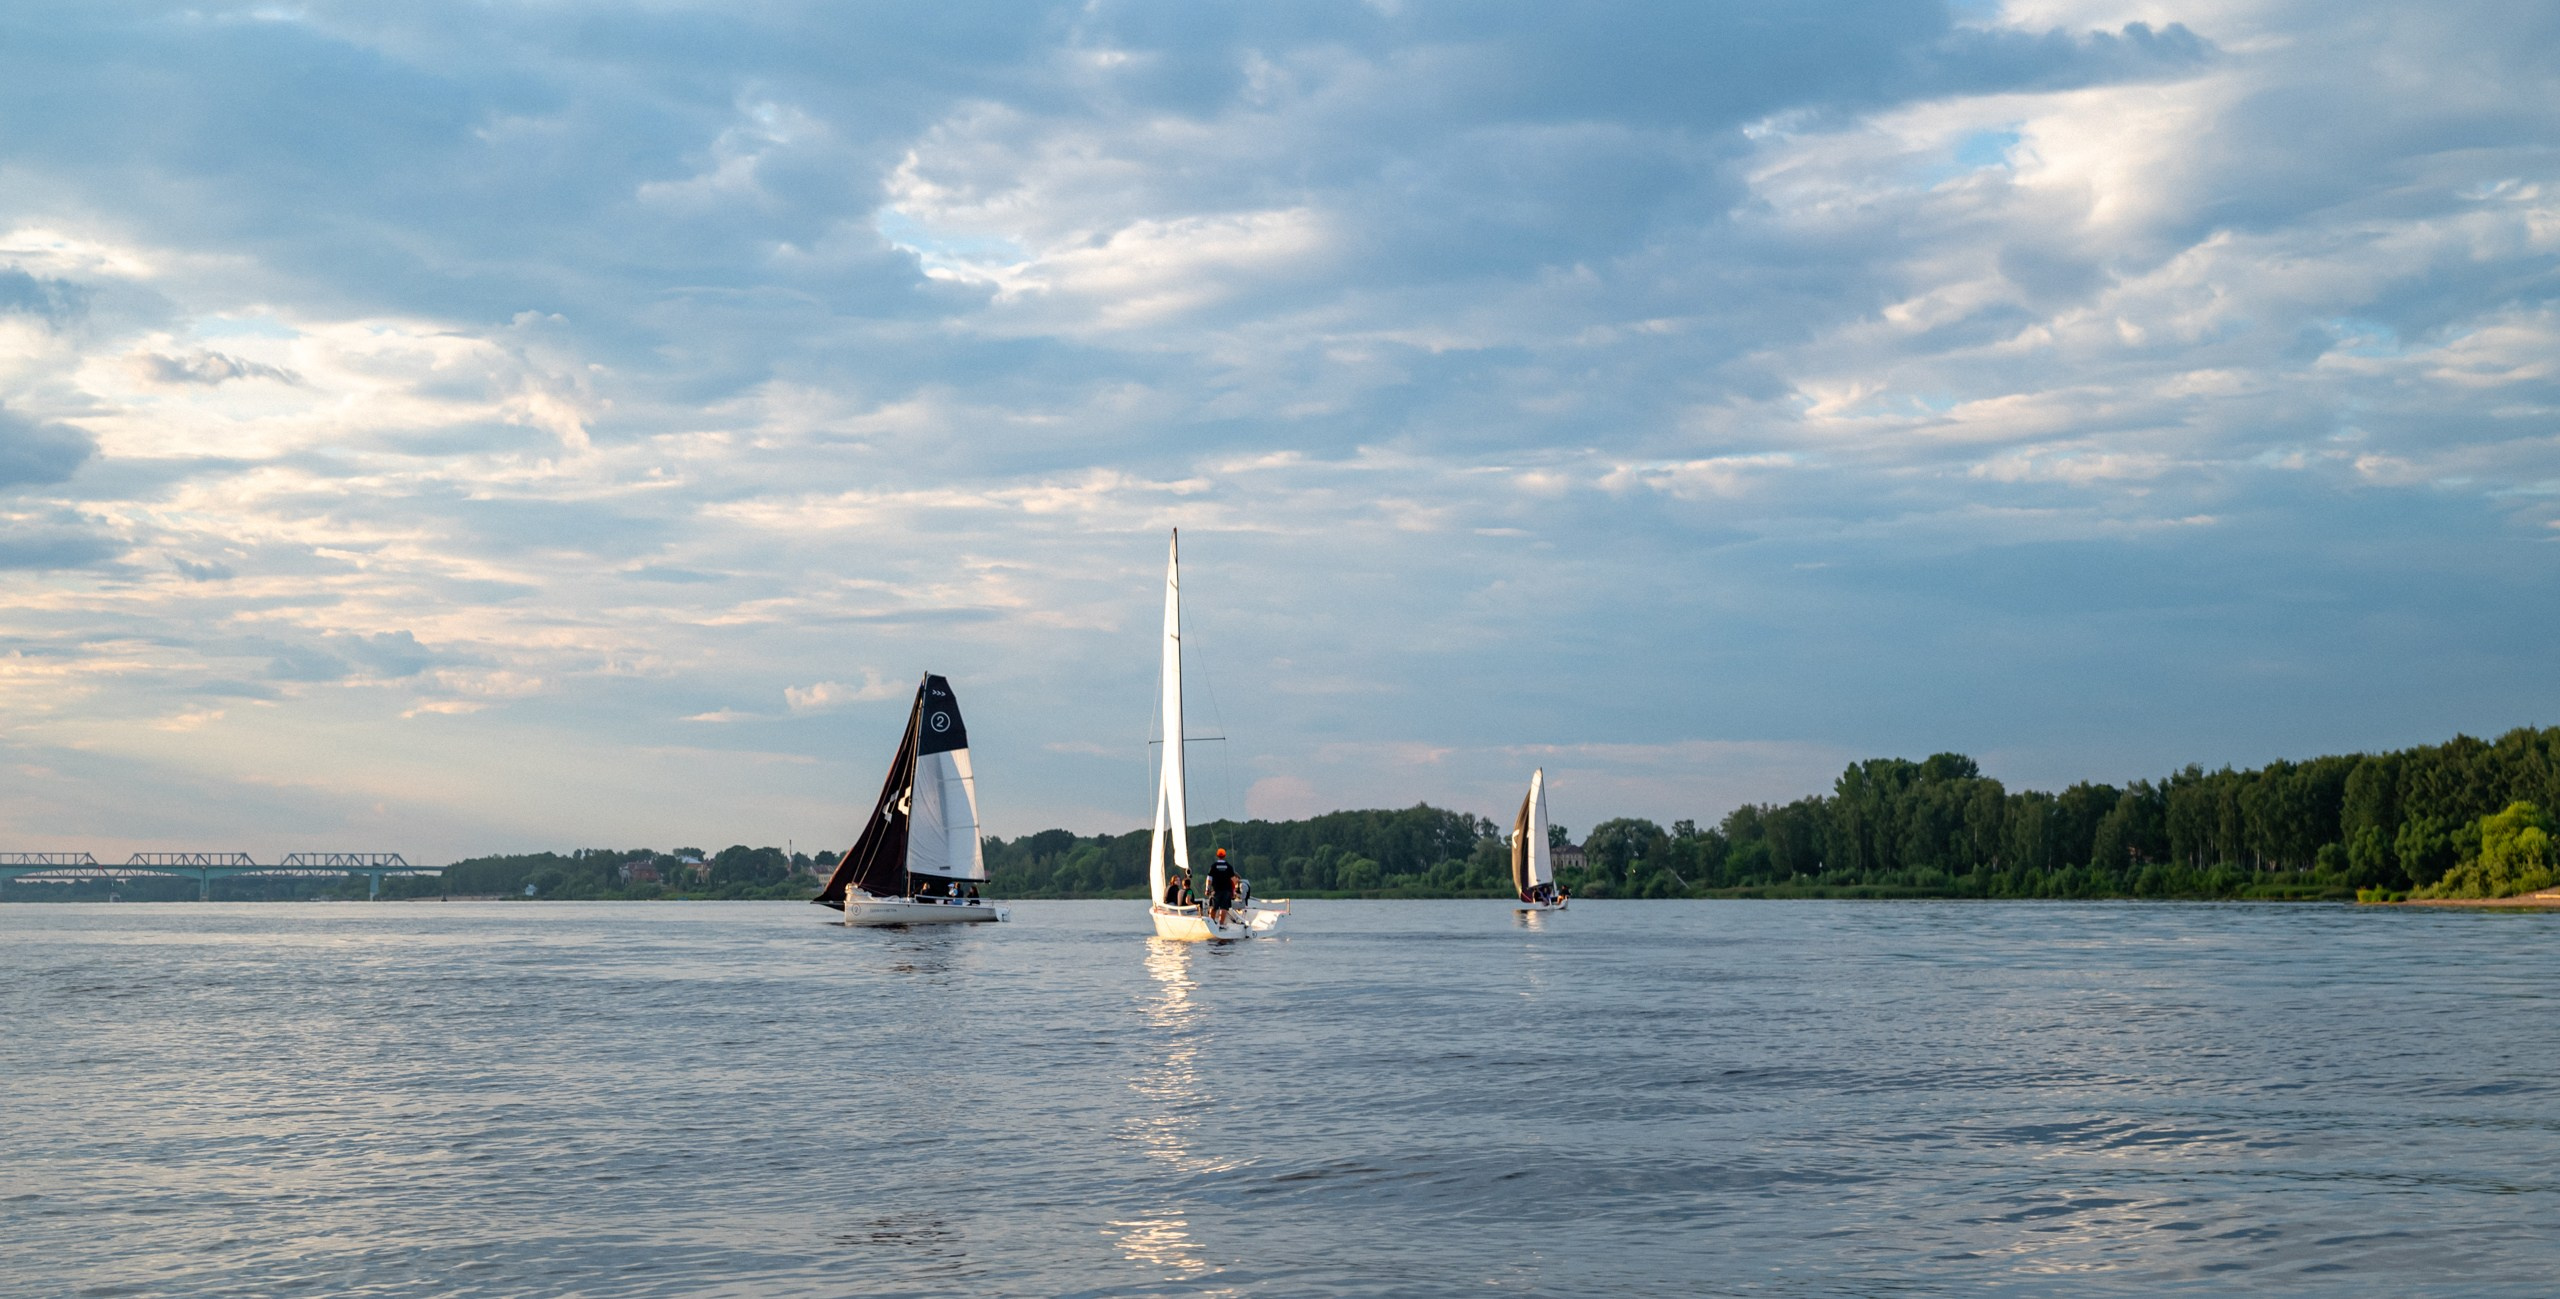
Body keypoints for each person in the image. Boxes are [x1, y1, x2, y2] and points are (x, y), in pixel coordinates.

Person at [1207, 848, 1237, 925]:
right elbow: (1234, 880)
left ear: (1217, 855)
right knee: (1224, 908)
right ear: (1224, 855)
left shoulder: (1213, 866)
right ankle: (1221, 924)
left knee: (1213, 907)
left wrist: (1207, 889)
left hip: (1215, 890)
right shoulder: (1229, 866)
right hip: (1227, 890)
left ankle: (1211, 924)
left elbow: (1209, 879)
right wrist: (1233, 891)